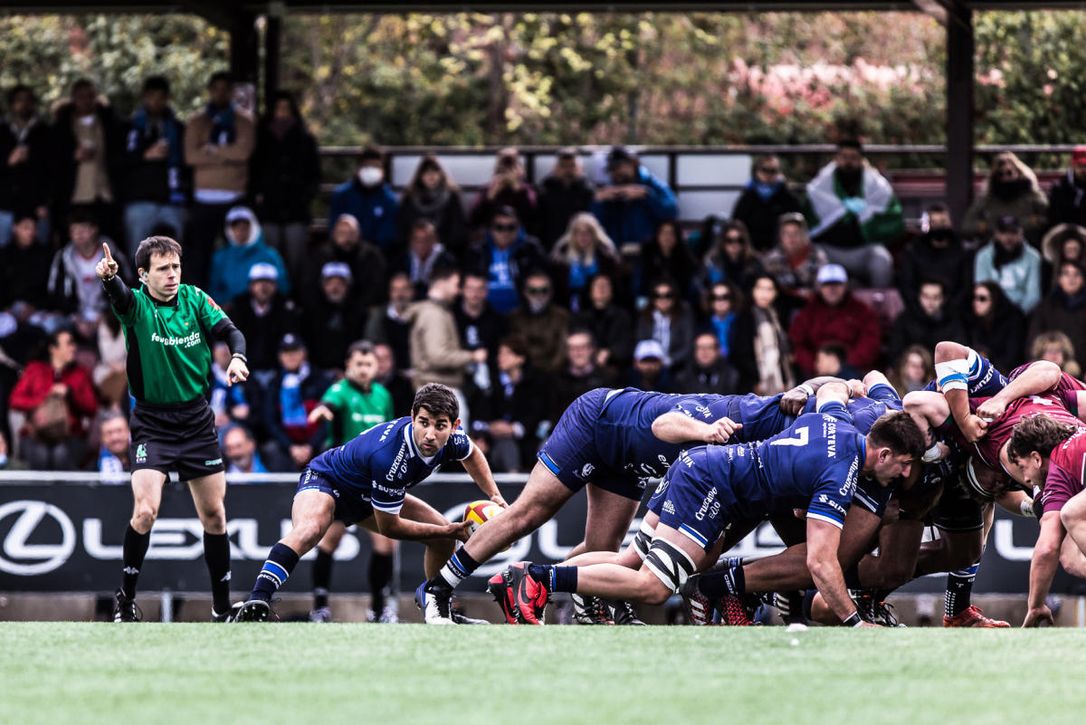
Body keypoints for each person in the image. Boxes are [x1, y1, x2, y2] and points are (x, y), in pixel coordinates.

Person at [489, 386, 923, 625]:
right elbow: (821, 562)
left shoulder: (837, 419)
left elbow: (831, 387)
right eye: (904, 464)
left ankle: (525, 576)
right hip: (711, 486)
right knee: (653, 587)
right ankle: (538, 579)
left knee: (631, 562)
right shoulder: (842, 470)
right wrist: (855, 622)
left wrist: (812, 387)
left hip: (700, 467)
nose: (904, 475)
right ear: (884, 453)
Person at [415, 382, 838, 625]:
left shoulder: (777, 444)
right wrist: (705, 431)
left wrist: (806, 386)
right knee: (529, 514)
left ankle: (549, 591)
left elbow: (837, 384)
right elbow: (663, 424)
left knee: (610, 551)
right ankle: (437, 589)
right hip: (595, 424)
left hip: (630, 461)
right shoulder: (741, 415)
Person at [231, 383, 504, 623]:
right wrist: (449, 530)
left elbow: (472, 454)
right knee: (310, 529)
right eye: (423, 422)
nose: (430, 434)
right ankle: (259, 599)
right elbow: (390, 527)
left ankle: (438, 608)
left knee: (443, 540)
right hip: (328, 479)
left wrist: (494, 495)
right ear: (412, 417)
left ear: (455, 426)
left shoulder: (454, 440)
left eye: (440, 426)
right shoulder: (391, 458)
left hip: (367, 493)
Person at [96, 235, 249, 622]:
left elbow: (232, 332)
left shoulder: (195, 299)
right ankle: (125, 600)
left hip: (197, 422)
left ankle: (221, 608)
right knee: (145, 512)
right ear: (143, 274)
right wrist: (110, 279)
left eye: (176, 267)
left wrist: (237, 357)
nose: (172, 275)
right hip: (152, 424)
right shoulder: (137, 306)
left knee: (215, 516)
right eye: (162, 268)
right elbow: (120, 298)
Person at [306, 341, 397, 623]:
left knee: (385, 543)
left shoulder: (383, 395)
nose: (364, 369)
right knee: (328, 540)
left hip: (373, 482)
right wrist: (322, 410)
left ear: (376, 367)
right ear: (348, 366)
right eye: (358, 364)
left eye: (369, 364)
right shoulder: (340, 390)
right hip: (342, 480)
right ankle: (320, 607)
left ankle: (378, 610)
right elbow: (329, 403)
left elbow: (390, 435)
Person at [1006, 415, 1086, 627]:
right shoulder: (1075, 438)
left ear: (1036, 458)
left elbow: (1047, 548)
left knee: (1071, 512)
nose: (1026, 479)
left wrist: (1035, 605)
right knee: (1071, 560)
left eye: (1022, 467)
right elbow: (1070, 559)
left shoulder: (1058, 471)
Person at [184, 72, 256, 289]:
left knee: (235, 250)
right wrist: (228, 155)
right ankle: (198, 298)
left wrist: (211, 150)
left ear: (232, 92)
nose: (221, 93)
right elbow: (191, 156)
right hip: (203, 198)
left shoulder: (244, 121)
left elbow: (243, 153)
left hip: (234, 196)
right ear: (210, 91)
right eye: (216, 89)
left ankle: (233, 296)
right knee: (200, 253)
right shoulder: (197, 121)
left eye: (226, 89)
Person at [804, 140, 901, 287]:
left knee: (882, 260)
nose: (848, 162)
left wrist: (868, 215)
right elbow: (809, 222)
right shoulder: (820, 186)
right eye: (844, 157)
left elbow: (892, 218)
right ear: (836, 159)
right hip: (829, 250)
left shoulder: (877, 186)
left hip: (863, 250)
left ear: (861, 160)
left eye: (853, 157)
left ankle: (879, 300)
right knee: (813, 259)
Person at [249, 91, 320, 274]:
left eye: (286, 108)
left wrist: (305, 196)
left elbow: (314, 174)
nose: (282, 112)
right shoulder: (260, 138)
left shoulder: (305, 139)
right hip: (268, 209)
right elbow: (253, 172)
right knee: (269, 258)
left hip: (296, 210)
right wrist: (258, 197)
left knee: (296, 260)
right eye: (278, 108)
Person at [407, 267, 486, 426]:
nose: (458, 291)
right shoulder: (433, 314)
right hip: (438, 395)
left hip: (438, 392)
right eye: (456, 284)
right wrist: (472, 356)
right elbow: (437, 356)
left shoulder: (438, 312)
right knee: (447, 442)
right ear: (442, 283)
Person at [8, 328, 98, 470]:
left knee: (60, 454)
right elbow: (15, 400)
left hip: (69, 435)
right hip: (36, 434)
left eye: (74, 344)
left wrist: (70, 394)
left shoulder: (80, 373)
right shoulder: (35, 369)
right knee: (40, 454)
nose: (74, 348)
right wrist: (46, 397)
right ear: (53, 349)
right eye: (69, 344)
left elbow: (92, 407)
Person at [120, 76, 188, 258]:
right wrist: (144, 155)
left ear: (167, 98)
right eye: (151, 96)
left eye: (160, 97)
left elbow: (187, 164)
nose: (156, 102)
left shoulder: (178, 128)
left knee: (173, 257)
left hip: (173, 200)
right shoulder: (129, 127)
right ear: (144, 97)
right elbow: (117, 162)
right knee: (139, 257)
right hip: (139, 201)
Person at [52, 79, 124, 235]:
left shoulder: (110, 122)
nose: (86, 100)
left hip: (105, 195)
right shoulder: (61, 126)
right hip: (74, 197)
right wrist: (72, 156)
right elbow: (52, 161)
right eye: (81, 96)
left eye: (90, 96)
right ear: (73, 98)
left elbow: (119, 155)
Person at [789, 264, 881, 378]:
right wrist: (815, 364)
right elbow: (797, 343)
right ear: (820, 287)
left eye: (837, 284)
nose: (832, 289)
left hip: (852, 369)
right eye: (827, 285)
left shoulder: (861, 311)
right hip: (815, 370)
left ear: (845, 286)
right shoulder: (808, 312)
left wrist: (845, 363)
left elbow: (871, 341)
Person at [471, 336, 547, 473]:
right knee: (506, 446)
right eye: (500, 353)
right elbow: (478, 416)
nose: (501, 358)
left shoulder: (534, 384)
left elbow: (537, 414)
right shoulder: (490, 384)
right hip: (495, 442)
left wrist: (513, 429)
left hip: (528, 440)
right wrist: (489, 428)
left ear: (520, 358)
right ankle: (513, 480)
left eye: (507, 354)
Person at [261, 334, 333, 472]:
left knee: (330, 448)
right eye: (286, 352)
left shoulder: (320, 380)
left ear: (303, 352)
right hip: (287, 445)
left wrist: (311, 446)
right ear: (280, 356)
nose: (290, 356)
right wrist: (290, 446)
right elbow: (270, 420)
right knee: (271, 449)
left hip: (316, 443)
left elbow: (328, 419)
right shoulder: (275, 383)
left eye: (294, 351)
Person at [47, 206, 133, 319]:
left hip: (109, 317)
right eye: (74, 230)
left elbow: (126, 288)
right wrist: (75, 318)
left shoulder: (113, 255)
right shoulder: (63, 258)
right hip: (73, 318)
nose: (79, 234)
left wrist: (107, 316)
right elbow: (55, 293)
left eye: (83, 229)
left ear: (94, 229)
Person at [463, 205, 547, 315]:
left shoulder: (531, 249)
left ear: (519, 228)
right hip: (485, 311)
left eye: (511, 227)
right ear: (491, 229)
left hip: (521, 311)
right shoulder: (477, 252)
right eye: (499, 227)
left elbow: (542, 281)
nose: (505, 232)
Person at [225, 263, 301, 379]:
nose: (263, 287)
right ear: (250, 286)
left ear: (275, 286)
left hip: (279, 371)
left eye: (268, 282)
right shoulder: (238, 307)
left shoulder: (286, 308)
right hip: (244, 368)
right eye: (258, 282)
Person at [592, 146, 677, 247]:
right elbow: (593, 225)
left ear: (633, 164)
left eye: (618, 167)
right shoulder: (608, 192)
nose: (615, 173)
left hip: (647, 250)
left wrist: (647, 196)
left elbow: (671, 212)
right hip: (617, 251)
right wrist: (598, 203)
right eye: (612, 170)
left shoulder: (652, 184)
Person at [897, 203, 972, 315]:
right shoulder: (913, 251)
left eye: (943, 222)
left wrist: (948, 310)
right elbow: (907, 287)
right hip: (919, 312)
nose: (939, 227)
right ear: (928, 225)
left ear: (950, 223)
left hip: (956, 313)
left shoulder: (963, 251)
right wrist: (922, 310)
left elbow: (966, 287)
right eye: (934, 223)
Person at [207, 206, 290, 305]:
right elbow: (214, 290)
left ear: (254, 227)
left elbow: (283, 287)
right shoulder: (220, 257)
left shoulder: (270, 255)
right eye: (235, 227)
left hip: (263, 309)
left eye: (244, 227)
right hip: (231, 310)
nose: (240, 231)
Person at [0, 85, 51, 246]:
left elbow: (52, 169)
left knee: (40, 249)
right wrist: (8, 162)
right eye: (19, 100)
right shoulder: (2, 130)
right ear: (12, 104)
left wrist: (44, 201)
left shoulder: (43, 131)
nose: (24, 104)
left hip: (36, 205)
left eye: (28, 100)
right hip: (5, 204)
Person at [963, 151, 1049, 245]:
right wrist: (990, 226)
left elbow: (1049, 217)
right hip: (994, 245)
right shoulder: (988, 197)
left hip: (1027, 243)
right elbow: (967, 225)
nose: (1005, 177)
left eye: (1009, 173)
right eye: (1000, 174)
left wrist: (1028, 223)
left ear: (1018, 173)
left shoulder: (1032, 194)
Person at [307, 213, 387, 310]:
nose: (347, 238)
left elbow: (377, 287)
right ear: (334, 234)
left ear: (358, 234)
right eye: (342, 233)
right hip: (324, 308)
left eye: (351, 233)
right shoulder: (322, 255)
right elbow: (310, 285)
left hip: (362, 308)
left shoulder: (371, 256)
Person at [730, 274, 794, 395]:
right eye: (760, 288)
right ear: (752, 290)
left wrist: (785, 378)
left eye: (769, 289)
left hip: (779, 382)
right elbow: (739, 355)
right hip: (752, 385)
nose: (764, 294)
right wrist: (756, 380)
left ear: (776, 293)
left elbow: (782, 353)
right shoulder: (745, 317)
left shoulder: (777, 317)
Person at [327, 146, 398, 252]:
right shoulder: (341, 195)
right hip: (344, 251)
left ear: (383, 171)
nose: (371, 170)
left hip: (376, 254)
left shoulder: (390, 200)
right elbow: (334, 228)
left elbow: (387, 235)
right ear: (358, 169)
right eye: (367, 166)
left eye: (376, 166)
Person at [397, 154, 467, 258]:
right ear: (420, 175)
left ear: (441, 174)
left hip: (444, 253)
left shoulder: (452, 197)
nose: (431, 176)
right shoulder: (409, 197)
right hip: (414, 253)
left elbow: (457, 231)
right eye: (426, 172)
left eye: (434, 172)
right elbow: (403, 229)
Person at [301, 262, 367, 371]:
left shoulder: (358, 312)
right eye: (330, 283)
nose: (335, 287)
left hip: (351, 371)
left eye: (340, 283)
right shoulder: (311, 312)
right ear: (323, 285)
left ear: (348, 286)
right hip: (317, 371)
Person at [730, 154, 803, 252]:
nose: (768, 174)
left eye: (773, 171)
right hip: (752, 250)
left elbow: (798, 222)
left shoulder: (787, 195)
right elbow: (737, 223)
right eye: (765, 170)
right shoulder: (747, 195)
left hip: (781, 251)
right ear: (757, 171)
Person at [761, 212, 829, 315]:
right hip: (782, 308)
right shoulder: (771, 259)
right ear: (780, 236)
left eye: (796, 233)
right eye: (786, 233)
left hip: (813, 307)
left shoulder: (818, 257)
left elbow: (823, 288)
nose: (791, 237)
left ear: (804, 235)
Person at [549, 212, 621, 310]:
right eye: (578, 232)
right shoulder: (560, 256)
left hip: (598, 307)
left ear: (594, 234)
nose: (583, 236)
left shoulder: (606, 257)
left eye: (588, 232)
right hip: (566, 304)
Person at [973, 214, 1042, 314]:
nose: (1008, 237)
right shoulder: (983, 256)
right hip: (991, 311)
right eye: (1003, 233)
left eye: (1013, 232)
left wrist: (1018, 314)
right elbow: (982, 289)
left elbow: (1033, 295)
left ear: (1021, 233)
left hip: (1021, 311)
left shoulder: (1033, 257)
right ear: (996, 234)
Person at [507, 270, 569, 376]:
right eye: (533, 291)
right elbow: (512, 349)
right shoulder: (514, 318)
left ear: (551, 293)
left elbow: (563, 350)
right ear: (525, 292)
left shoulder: (561, 317)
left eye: (544, 290)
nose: (539, 295)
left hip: (554, 374)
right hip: (522, 374)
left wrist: (551, 373)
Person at [886, 280, 964, 365]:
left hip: (942, 370)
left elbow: (959, 353)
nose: (930, 302)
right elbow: (895, 352)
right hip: (909, 369)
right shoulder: (904, 320)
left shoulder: (953, 322)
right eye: (926, 296)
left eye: (935, 297)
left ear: (943, 299)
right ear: (919, 296)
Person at [571, 274, 634, 372]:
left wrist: (610, 352)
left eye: (605, 285)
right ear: (590, 291)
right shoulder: (579, 318)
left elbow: (626, 344)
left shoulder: (622, 316)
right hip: (585, 366)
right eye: (597, 285)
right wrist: (593, 353)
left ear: (612, 291)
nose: (601, 289)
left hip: (615, 366)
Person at [550, 330, 617, 421]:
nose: (578, 353)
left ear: (591, 349)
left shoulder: (608, 377)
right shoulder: (557, 379)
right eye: (573, 348)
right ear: (566, 352)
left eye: (582, 347)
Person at [1028, 261, 1086, 364]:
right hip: (1049, 365)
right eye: (1066, 274)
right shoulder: (1045, 307)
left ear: (1083, 280)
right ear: (1059, 279)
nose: (1071, 279)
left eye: (1076, 274)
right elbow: (1034, 339)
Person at [468, 147, 537, 233]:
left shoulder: (526, 190)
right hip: (491, 236)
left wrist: (519, 191)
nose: (506, 172)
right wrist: (489, 197)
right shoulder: (486, 190)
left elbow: (534, 219)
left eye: (511, 168)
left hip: (519, 236)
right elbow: (473, 220)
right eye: (503, 168)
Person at [963, 281, 1026, 374]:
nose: (976, 303)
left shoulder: (1013, 320)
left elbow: (1012, 357)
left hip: (1008, 373)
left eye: (982, 298)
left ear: (994, 300)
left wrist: (987, 356)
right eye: (974, 298)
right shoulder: (973, 320)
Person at [537, 148, 594, 249]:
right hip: (551, 244)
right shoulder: (544, 190)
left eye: (572, 166)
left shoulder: (587, 190)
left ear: (580, 168)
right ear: (555, 168)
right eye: (563, 166)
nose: (568, 170)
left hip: (580, 245)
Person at [635, 278, 695, 375]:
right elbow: (641, 343)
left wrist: (668, 361)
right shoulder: (644, 317)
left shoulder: (684, 317)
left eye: (668, 296)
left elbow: (688, 346)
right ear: (652, 299)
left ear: (674, 298)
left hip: (677, 366)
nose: (663, 300)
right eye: (658, 296)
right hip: (649, 364)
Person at [0, 211, 51, 310]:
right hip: (7, 308)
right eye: (26, 228)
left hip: (36, 308)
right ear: (15, 228)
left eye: (34, 228)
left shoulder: (44, 254)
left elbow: (47, 288)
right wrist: (6, 308)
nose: (30, 232)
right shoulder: (4, 254)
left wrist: (34, 307)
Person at [364, 273, 414, 373]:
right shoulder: (378, 317)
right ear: (390, 293)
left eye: (404, 289)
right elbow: (371, 344)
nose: (400, 294)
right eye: (395, 290)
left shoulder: (420, 316)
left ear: (412, 292)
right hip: (385, 374)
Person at [638, 220, 698, 302]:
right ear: (657, 236)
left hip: (678, 300)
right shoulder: (647, 255)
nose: (667, 237)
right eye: (664, 233)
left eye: (671, 233)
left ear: (677, 237)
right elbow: (640, 285)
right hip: (650, 299)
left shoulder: (686, 258)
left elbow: (688, 288)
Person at [700, 219, 765, 294]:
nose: (735, 244)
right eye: (729, 240)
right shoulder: (712, 262)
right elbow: (702, 289)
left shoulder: (754, 263)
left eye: (740, 240)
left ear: (745, 242)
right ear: (722, 242)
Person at [454, 272, 507, 365]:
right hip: (456, 369)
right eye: (470, 288)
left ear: (486, 291)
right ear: (461, 290)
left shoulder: (497, 320)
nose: (475, 294)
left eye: (480, 289)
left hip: (488, 370)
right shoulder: (451, 317)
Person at [398, 219, 458, 298]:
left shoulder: (446, 261)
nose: (421, 245)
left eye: (426, 240)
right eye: (417, 240)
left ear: (434, 240)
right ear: (411, 241)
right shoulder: (402, 259)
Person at [1047, 146, 1086, 230]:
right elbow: (1054, 218)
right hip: (1064, 231)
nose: (1084, 170)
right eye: (1080, 166)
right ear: (1073, 165)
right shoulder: (1059, 187)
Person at [700, 282, 738, 360]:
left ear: (732, 299)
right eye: (715, 297)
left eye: (725, 297)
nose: (720, 301)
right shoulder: (703, 326)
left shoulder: (741, 323)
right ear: (710, 301)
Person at [95, 411, 130, 476]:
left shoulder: (142, 461)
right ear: (102, 438)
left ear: (128, 432)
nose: (115, 437)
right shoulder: (94, 470)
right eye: (109, 433)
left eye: (119, 431)